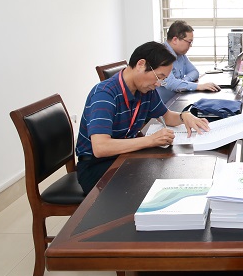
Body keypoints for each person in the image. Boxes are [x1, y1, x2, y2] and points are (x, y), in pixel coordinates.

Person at [75, 41, 211, 194]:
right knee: (149, 188)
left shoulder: (145, 91)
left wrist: (183, 116)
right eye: (159, 77)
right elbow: (101, 148)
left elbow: (167, 116)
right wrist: (151, 140)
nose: (158, 84)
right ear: (141, 64)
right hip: (96, 166)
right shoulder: (104, 94)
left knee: (170, 174)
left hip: (124, 154)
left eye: (163, 79)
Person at [157, 21, 220, 102]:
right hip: (164, 105)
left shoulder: (180, 55)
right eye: (189, 42)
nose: (190, 45)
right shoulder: (161, 54)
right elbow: (171, 83)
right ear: (175, 40)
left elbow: (194, 72)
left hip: (177, 100)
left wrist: (184, 81)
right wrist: (198, 86)